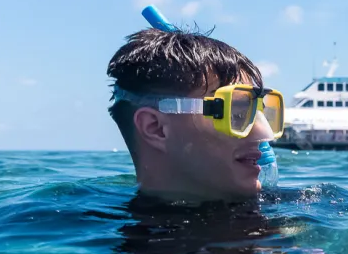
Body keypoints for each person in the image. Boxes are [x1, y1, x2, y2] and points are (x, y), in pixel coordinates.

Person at [106, 27, 285, 201]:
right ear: (156, 128)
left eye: (258, 112)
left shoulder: (296, 211)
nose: (263, 134)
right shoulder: (87, 220)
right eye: (236, 114)